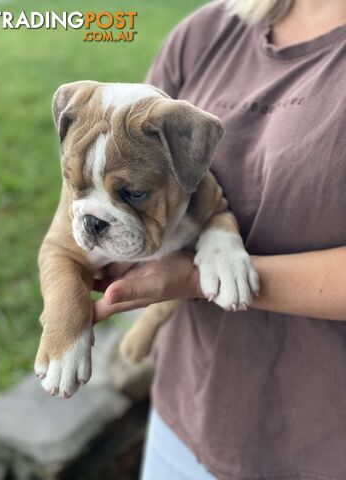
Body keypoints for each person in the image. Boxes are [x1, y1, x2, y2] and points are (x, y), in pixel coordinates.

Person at [93, 1, 346, 478]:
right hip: (184, 419)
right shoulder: (208, 31)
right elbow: (125, 169)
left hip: (318, 450)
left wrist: (196, 278)